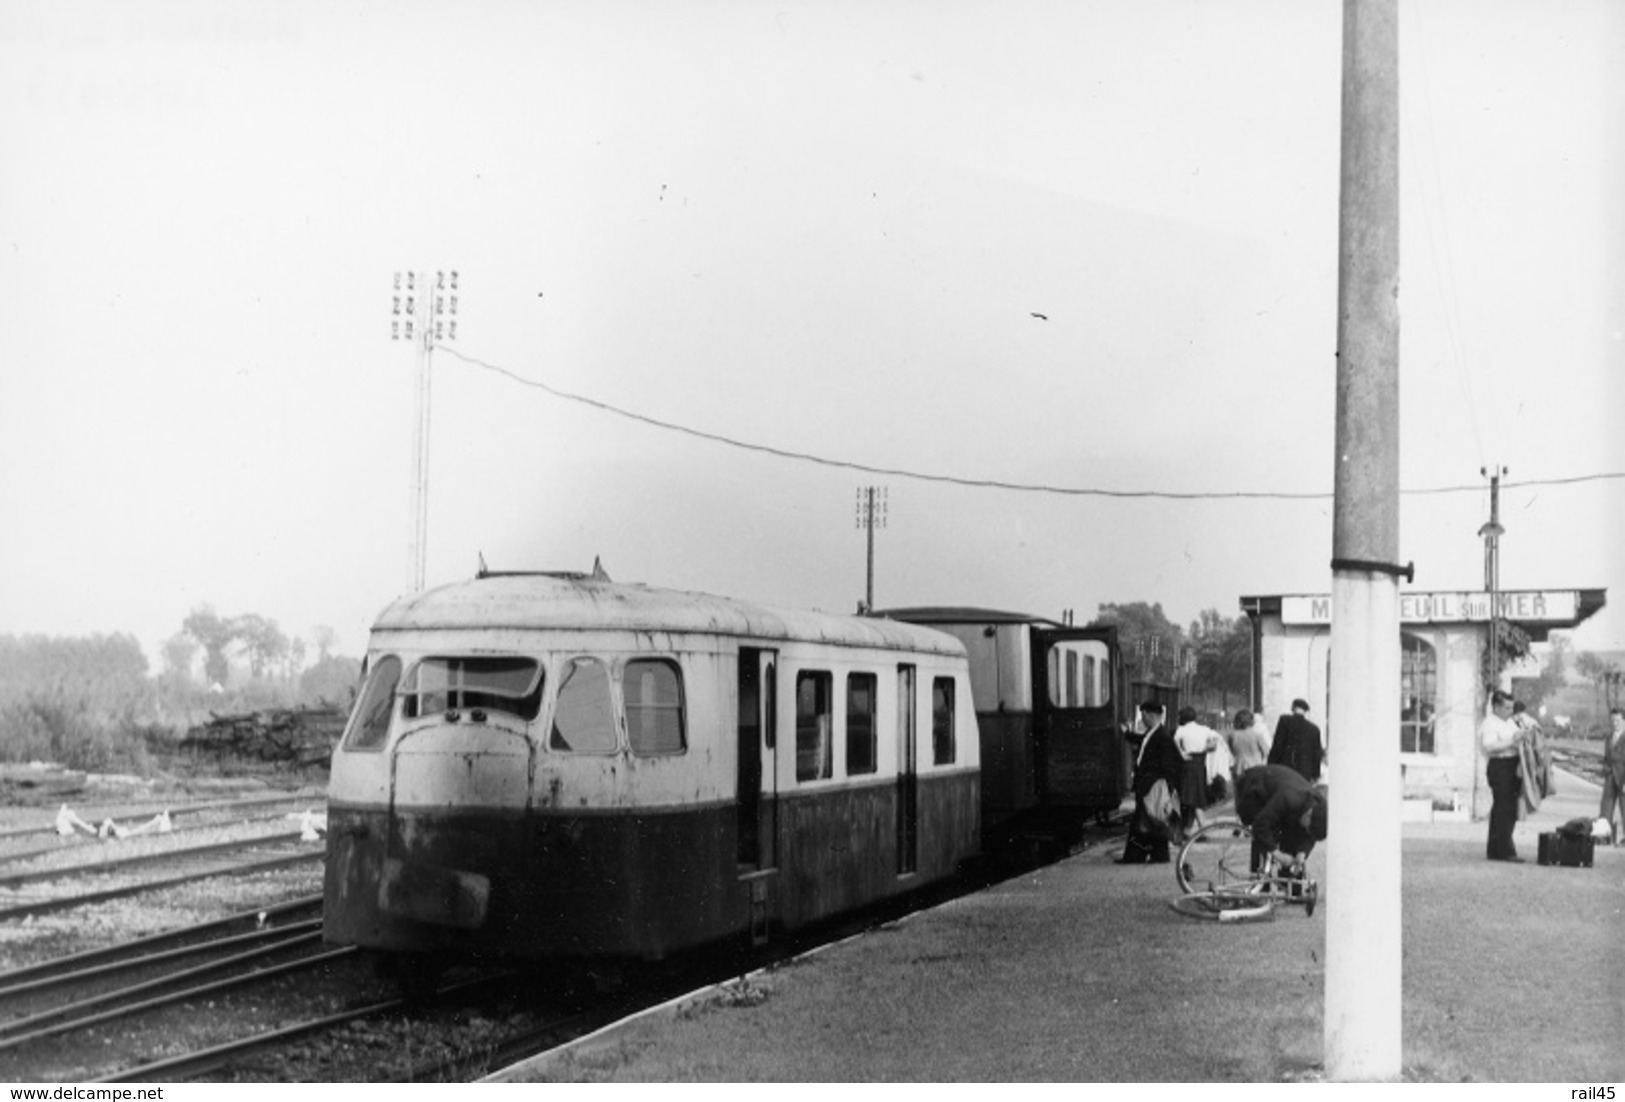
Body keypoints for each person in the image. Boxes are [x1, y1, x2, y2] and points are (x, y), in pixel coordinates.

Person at [1119, 700, 1184, 865]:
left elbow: (1171, 763)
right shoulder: (1154, 733)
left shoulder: (1162, 736)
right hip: (1148, 784)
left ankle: (1138, 856)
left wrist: (1162, 784)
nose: (1142, 719)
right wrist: (1127, 734)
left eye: (1143, 715)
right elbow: (1142, 741)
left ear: (1151, 715)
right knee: (1149, 821)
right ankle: (1156, 855)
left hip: (1152, 785)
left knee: (1147, 821)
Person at [1233, 764, 1328, 875]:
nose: (1307, 831)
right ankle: (1260, 884)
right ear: (1308, 814)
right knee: (1264, 835)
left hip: (1279, 791)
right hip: (1252, 789)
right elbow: (1259, 824)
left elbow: (1311, 835)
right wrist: (1278, 855)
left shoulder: (1318, 805)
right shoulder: (1289, 798)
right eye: (1308, 828)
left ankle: (1289, 884)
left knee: (1293, 834)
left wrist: (1302, 852)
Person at [1479, 689, 1531, 862]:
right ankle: (1505, 851)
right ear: (1496, 707)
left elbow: (1516, 738)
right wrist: (1513, 741)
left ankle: (1495, 849)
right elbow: (1489, 746)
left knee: (1502, 808)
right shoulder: (1490, 723)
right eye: (1507, 707)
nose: (1511, 711)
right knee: (1505, 809)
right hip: (1500, 766)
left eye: (1511, 707)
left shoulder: (1508, 722)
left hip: (1511, 766)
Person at [1173, 706, 1221, 830]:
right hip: (1200, 761)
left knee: (1190, 797)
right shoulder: (1204, 729)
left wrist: (1182, 754)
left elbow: (1175, 742)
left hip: (1188, 764)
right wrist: (1207, 748)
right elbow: (1216, 739)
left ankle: (1197, 827)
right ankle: (1193, 827)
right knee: (1196, 796)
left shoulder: (1181, 730)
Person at [1268, 698, 1323, 783]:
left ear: (1292, 707)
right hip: (1304, 772)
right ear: (1305, 711)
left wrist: (1271, 765)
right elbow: (1317, 754)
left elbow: (1277, 745)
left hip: (1285, 769)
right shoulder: (1314, 729)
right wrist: (1315, 775)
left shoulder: (1284, 721)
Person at [1599, 707, 1625, 846]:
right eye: (1612, 720)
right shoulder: (1608, 738)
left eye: (1618, 720)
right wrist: (1604, 768)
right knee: (1606, 807)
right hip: (1610, 777)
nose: (1615, 723)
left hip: (1622, 778)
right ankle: (1604, 835)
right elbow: (1606, 757)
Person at [1228, 708, 1270, 779]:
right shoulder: (1256, 734)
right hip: (1256, 767)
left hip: (1239, 768)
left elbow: (1231, 751)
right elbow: (1266, 751)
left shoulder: (1233, 735)